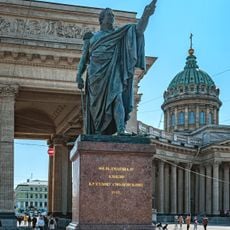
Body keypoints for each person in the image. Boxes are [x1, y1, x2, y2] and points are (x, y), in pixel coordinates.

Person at [77, 0, 157, 135]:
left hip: (114, 71)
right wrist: (78, 75)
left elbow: (138, 30)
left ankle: (120, 129)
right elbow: (84, 59)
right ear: (101, 19)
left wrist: (147, 14)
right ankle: (98, 131)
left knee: (117, 97)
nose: (112, 17)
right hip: (96, 77)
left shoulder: (119, 35)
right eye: (109, 15)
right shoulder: (91, 39)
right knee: (96, 110)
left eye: (113, 15)